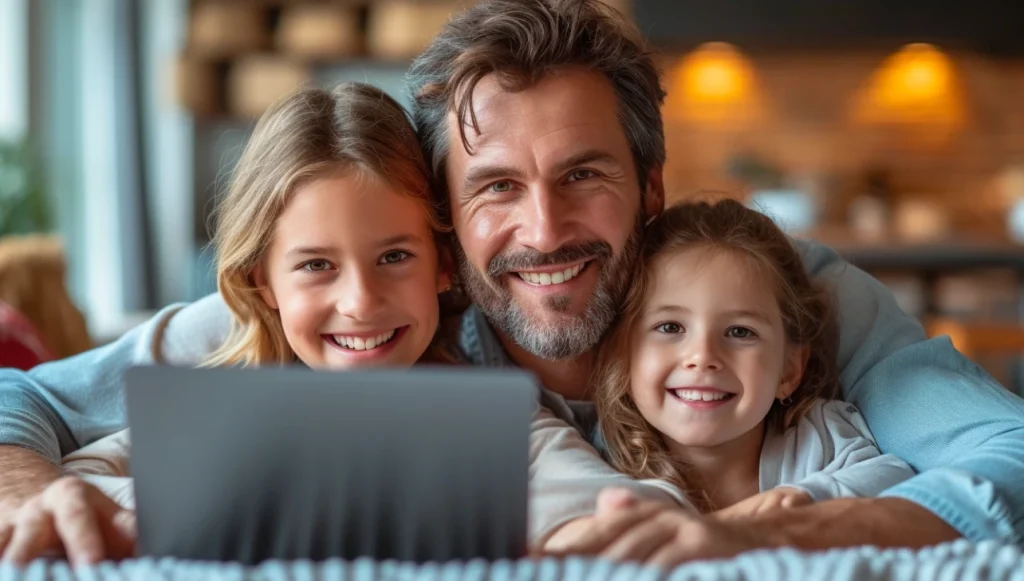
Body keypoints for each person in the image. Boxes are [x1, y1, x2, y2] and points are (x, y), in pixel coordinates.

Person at [0, 0, 1022, 568]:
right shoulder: (378, 300)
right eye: (496, 187)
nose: (543, 231)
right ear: (444, 217)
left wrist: (786, 525)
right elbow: (30, 397)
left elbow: (1005, 451)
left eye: (583, 175)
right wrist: (37, 485)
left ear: (651, 186)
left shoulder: (767, 289)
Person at [0, 81, 685, 564]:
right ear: (257, 279)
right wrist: (61, 497)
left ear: (444, 262)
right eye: (316, 265)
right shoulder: (220, 362)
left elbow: (613, 511)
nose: (359, 300)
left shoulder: (494, 418)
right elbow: (25, 403)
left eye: (394, 256)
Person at [594, 199, 915, 520]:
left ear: (789, 369)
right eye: (670, 327)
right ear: (624, 357)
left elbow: (897, 478)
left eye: (740, 332)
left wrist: (804, 498)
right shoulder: (606, 460)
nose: (703, 357)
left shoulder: (815, 439)